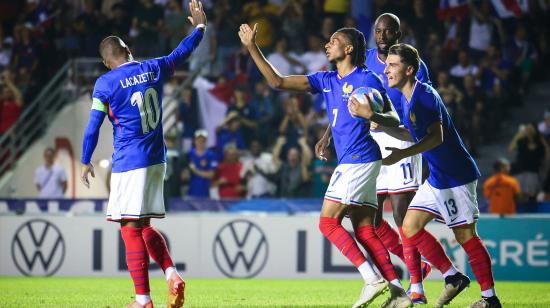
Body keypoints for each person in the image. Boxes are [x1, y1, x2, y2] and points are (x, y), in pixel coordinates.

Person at [239, 23, 412, 308]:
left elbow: (394, 119)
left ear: (349, 48)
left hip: (359, 159)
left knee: (327, 222)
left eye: (334, 40)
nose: (327, 45)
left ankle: (372, 279)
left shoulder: (367, 81)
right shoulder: (327, 80)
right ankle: (398, 292)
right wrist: (251, 47)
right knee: (365, 229)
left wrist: (373, 114)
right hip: (358, 160)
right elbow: (278, 82)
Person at [79, 1, 206, 307]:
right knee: (144, 225)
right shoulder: (153, 67)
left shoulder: (105, 82)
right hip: (156, 159)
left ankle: (142, 300)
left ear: (106, 62)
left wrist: (85, 159)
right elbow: (182, 52)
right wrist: (200, 27)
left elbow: (93, 126)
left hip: (130, 161)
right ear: (128, 50)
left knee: (129, 228)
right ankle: (172, 274)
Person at [379, 43, 501, 308]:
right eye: (387, 64)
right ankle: (452, 276)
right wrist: (379, 123)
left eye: (392, 65)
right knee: (409, 227)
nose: (386, 69)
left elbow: (437, 136)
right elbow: (412, 134)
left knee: (466, 236)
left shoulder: (424, 95)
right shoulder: (406, 97)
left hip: (456, 175)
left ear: (410, 69)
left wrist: (403, 154)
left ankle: (490, 300)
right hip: (437, 177)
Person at [364, 13, 432, 304]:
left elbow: (418, 101)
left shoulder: (412, 63)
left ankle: (416, 286)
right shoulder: (364, 60)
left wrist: (387, 120)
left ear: (397, 33)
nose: (382, 35)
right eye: (378, 30)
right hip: (372, 143)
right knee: (372, 218)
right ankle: (415, 270)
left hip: (401, 139)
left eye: (388, 30)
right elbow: (349, 96)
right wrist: (329, 136)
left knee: (403, 216)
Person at [188, 129, 217, 198]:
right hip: (192, 189)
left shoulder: (210, 155)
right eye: (198, 140)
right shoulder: (189, 154)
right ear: (195, 141)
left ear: (206, 141)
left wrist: (195, 171)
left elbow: (211, 175)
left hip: (205, 189)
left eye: (203, 140)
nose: (200, 142)